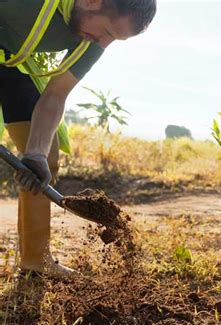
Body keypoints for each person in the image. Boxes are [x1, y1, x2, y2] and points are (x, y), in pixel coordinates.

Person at [0, 0, 156, 278]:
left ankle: (36, 264)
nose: (104, 43)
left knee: (45, 154)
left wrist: (35, 153)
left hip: (9, 62)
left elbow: (56, 94)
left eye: (114, 39)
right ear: (91, 1)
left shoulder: (93, 40)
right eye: (107, 31)